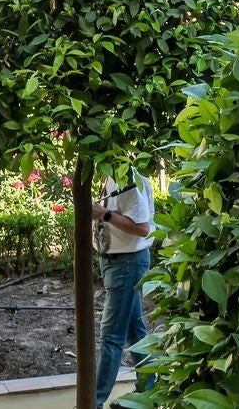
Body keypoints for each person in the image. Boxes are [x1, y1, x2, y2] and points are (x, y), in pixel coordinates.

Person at [92, 169, 155, 408]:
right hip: (114, 261)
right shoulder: (108, 172)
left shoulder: (129, 178)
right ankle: (146, 393)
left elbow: (142, 228)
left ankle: (93, 401)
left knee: (111, 334)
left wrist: (104, 214)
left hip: (127, 262)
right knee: (133, 330)